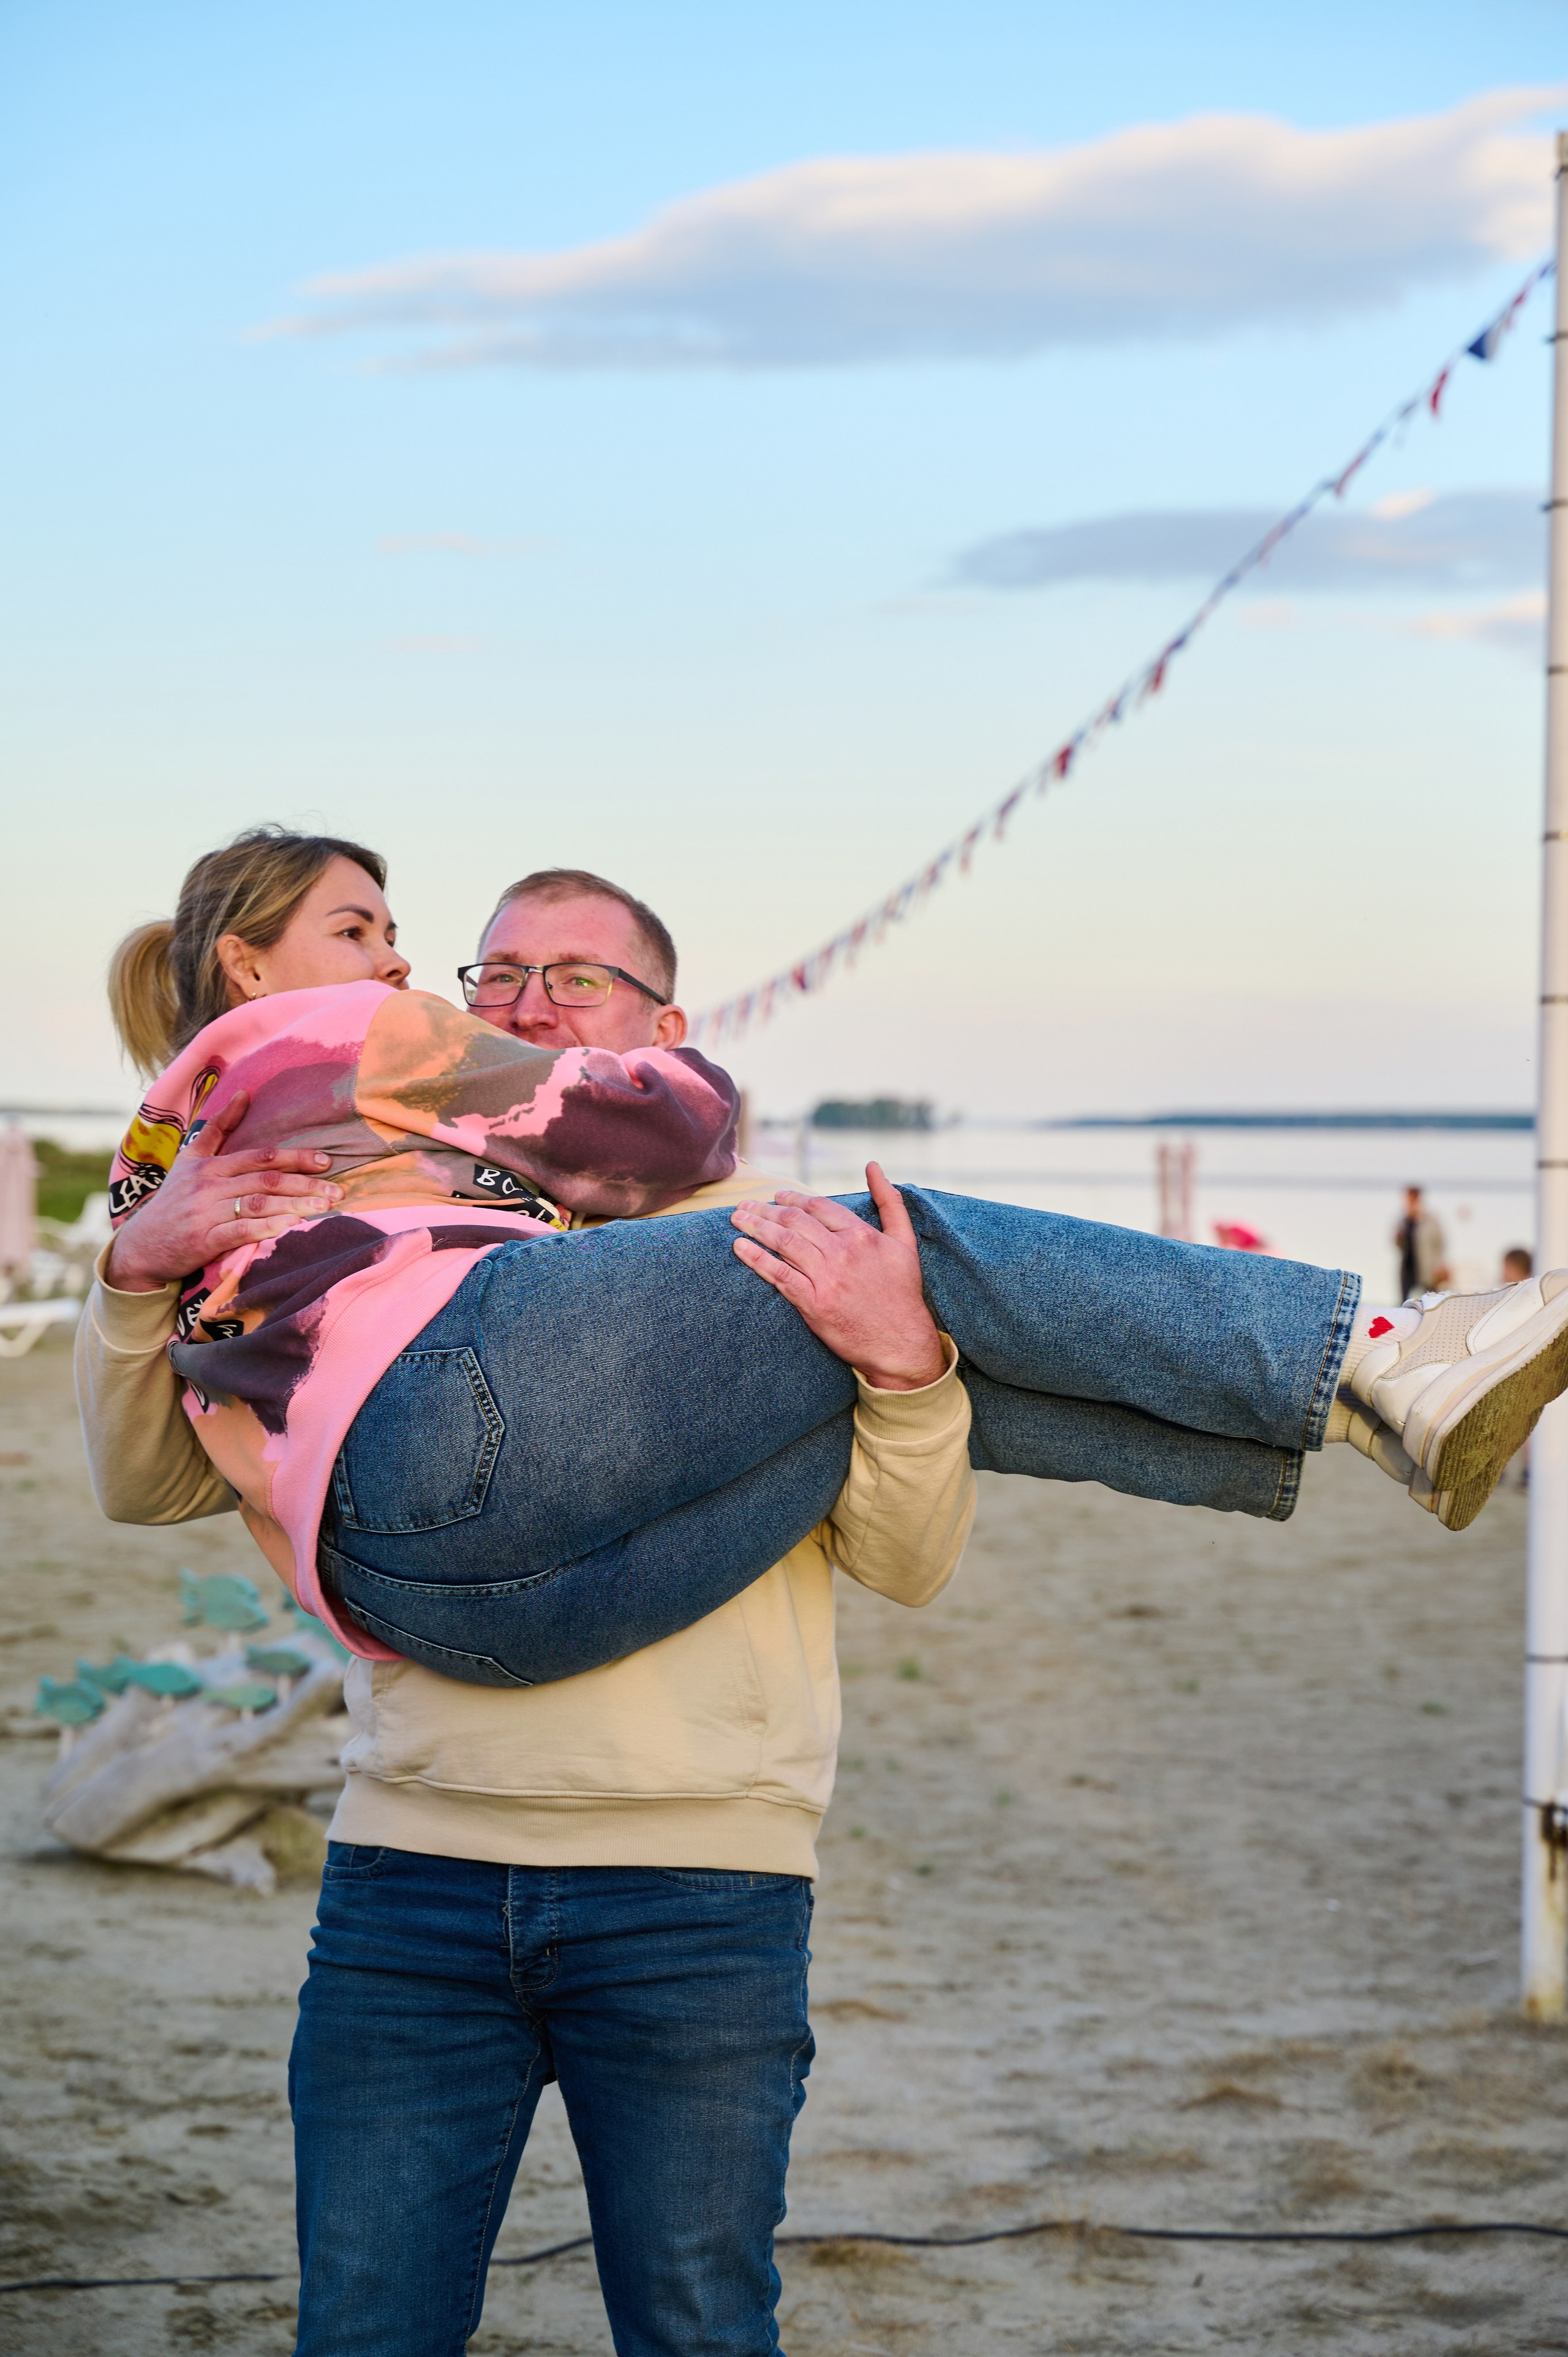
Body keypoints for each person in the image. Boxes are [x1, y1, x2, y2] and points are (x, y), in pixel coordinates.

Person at [77, 837, 1568, 2350]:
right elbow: (143, 1482)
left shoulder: (647, 1212)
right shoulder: (357, 1135)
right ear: (258, 961)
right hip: (420, 1862)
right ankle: (1364, 1364)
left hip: (668, 1850)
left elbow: (906, 1558)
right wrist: (131, 1270)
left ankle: (1363, 1404)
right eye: (493, 971)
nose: (503, 997)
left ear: (657, 1016)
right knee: (370, 2325)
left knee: (699, 2327)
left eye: (573, 976)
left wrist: (905, 1375)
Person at [1395, 1184, 1449, 1301]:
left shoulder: (1430, 1221)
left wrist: (1439, 1265)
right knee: (1404, 1301)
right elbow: (1398, 1246)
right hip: (1408, 1270)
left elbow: (1440, 1244)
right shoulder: (1403, 1222)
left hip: (1427, 1269)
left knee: (1430, 1300)